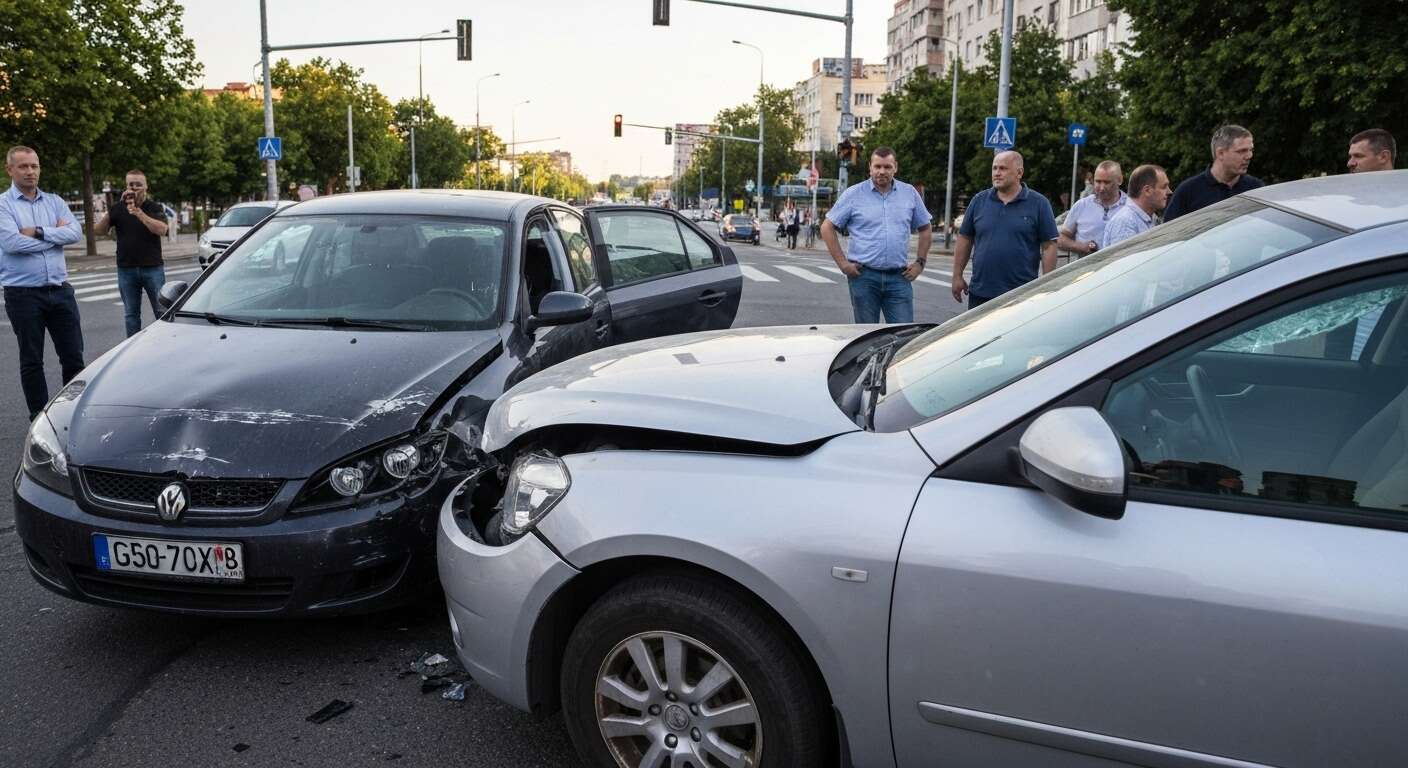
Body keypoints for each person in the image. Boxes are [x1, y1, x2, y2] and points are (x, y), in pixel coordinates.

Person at [0, 146, 85, 421]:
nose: (30, 172)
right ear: (9, 169)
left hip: (60, 291)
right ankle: (39, 416)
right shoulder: (3, 205)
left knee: (73, 356)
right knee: (32, 359)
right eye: (23, 166)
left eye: (34, 166)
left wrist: (38, 232)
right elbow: (11, 243)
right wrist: (55, 237)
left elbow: (75, 233)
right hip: (23, 294)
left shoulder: (55, 202)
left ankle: (72, 412)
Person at [821, 146, 933, 323]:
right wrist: (843, 264)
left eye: (887, 167)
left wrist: (920, 262)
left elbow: (925, 228)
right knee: (866, 335)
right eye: (877, 166)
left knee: (902, 334)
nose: (882, 171)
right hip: (864, 277)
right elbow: (827, 227)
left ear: (895, 167)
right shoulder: (853, 194)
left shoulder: (909, 193)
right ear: (870, 167)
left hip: (899, 277)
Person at [951, 150, 1059, 310]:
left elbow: (1049, 245)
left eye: (1003, 168)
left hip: (1021, 294)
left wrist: (1046, 283)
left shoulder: (1039, 203)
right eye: (994, 168)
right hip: (981, 292)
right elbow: (965, 239)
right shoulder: (979, 201)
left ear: (1019, 172)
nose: (997, 173)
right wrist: (957, 275)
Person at [94, 169, 168, 336]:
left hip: (152, 268)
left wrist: (138, 212)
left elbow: (162, 230)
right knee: (131, 315)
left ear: (146, 187)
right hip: (126, 269)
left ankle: (165, 344)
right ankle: (131, 350)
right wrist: (112, 210)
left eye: (138, 185)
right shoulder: (119, 208)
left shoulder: (154, 207)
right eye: (130, 185)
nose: (134, 188)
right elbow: (99, 231)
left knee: (161, 311)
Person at [1164, 124, 1263, 221]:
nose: (1249, 156)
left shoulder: (1255, 188)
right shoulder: (1188, 191)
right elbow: (1169, 234)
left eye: (1251, 150)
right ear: (1220, 153)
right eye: (1242, 151)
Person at [1057, 160, 1126, 258]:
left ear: (1120, 180)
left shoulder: (1132, 207)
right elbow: (1061, 239)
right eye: (1098, 181)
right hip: (1086, 271)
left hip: (1122, 269)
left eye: (1107, 182)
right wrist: (1082, 247)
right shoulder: (1082, 205)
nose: (1101, 188)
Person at [1101, 164, 1171, 249]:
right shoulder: (1125, 222)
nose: (1169, 191)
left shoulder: (1149, 218)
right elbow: (1126, 261)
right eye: (1164, 187)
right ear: (1147, 190)